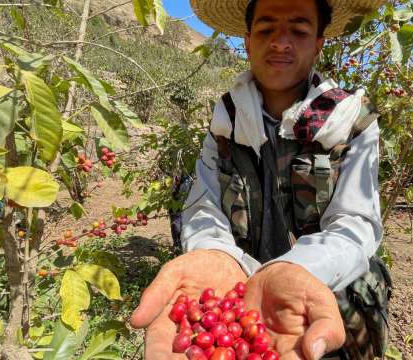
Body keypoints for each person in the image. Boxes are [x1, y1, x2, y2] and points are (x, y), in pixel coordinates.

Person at [130, 0, 392, 359]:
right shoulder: (226, 120)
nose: (281, 42)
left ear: (318, 42)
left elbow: (354, 223)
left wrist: (296, 268)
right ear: (248, 38)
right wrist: (214, 253)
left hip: (324, 290)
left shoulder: (351, 122)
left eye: (299, 30)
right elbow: (204, 205)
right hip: (240, 285)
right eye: (267, 29)